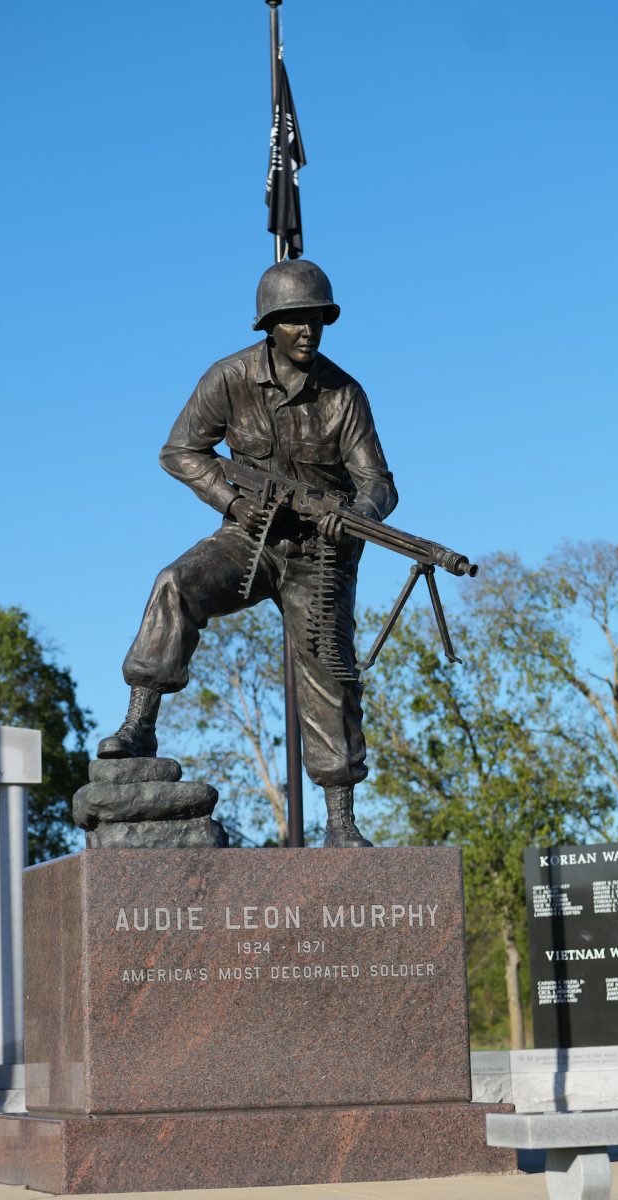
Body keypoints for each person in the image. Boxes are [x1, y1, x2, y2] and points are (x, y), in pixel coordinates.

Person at [98, 259, 397, 847]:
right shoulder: (228, 378)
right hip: (250, 537)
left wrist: (357, 516)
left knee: (330, 672)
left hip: (320, 554)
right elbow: (181, 451)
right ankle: (139, 725)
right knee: (174, 584)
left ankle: (341, 822)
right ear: (269, 325)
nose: (308, 330)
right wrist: (231, 504)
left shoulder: (345, 394)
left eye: (316, 319)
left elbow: (380, 484)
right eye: (294, 320)